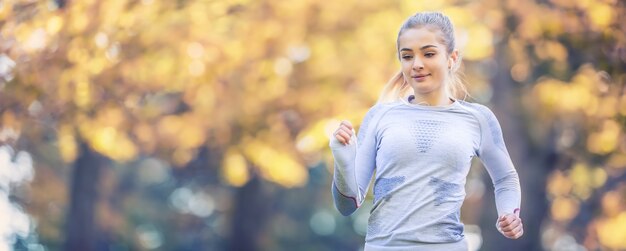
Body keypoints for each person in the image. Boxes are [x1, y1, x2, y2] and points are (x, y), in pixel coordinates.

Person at [329, 12, 523, 251]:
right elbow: (348, 205)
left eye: (428, 53)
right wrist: (343, 162)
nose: (417, 64)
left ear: (452, 58)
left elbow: (505, 179)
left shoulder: (478, 119)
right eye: (407, 56)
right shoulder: (379, 116)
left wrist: (509, 213)